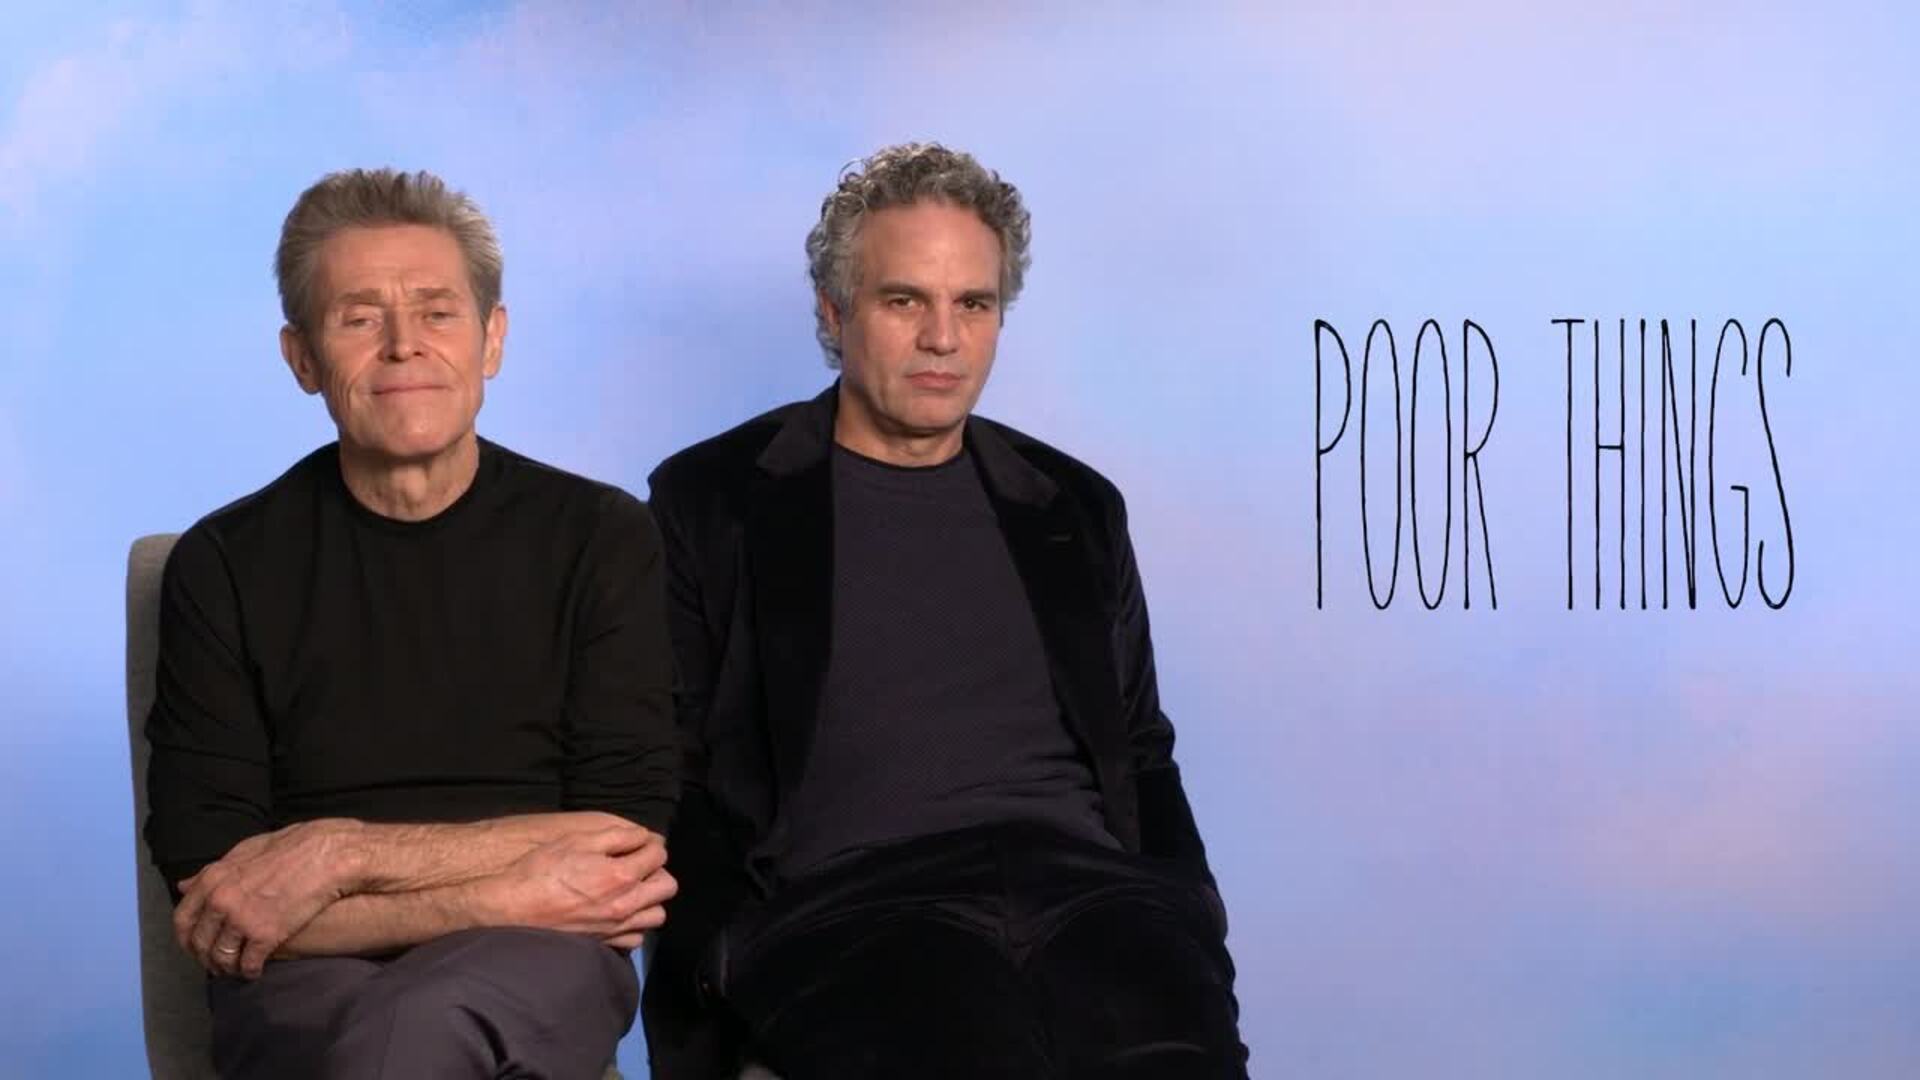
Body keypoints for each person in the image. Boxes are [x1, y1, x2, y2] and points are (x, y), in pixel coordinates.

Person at [643, 143, 1246, 1079]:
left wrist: (1190, 906)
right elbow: (671, 770)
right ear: (834, 311)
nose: (943, 338)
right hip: (856, 905)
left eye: (974, 304)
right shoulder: (713, 500)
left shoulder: (1074, 505)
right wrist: (719, 956)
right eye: (904, 301)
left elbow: (1141, 746)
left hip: (1097, 899)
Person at [144, 168, 679, 1079]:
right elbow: (214, 889)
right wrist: (504, 890)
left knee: (414, 1028)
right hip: (305, 972)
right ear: (302, 358)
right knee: (398, 1033)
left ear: (491, 339)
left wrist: (337, 854)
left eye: (437, 312)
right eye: (359, 319)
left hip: (541, 959)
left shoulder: (600, 537)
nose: (403, 347)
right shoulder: (223, 564)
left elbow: (622, 840)